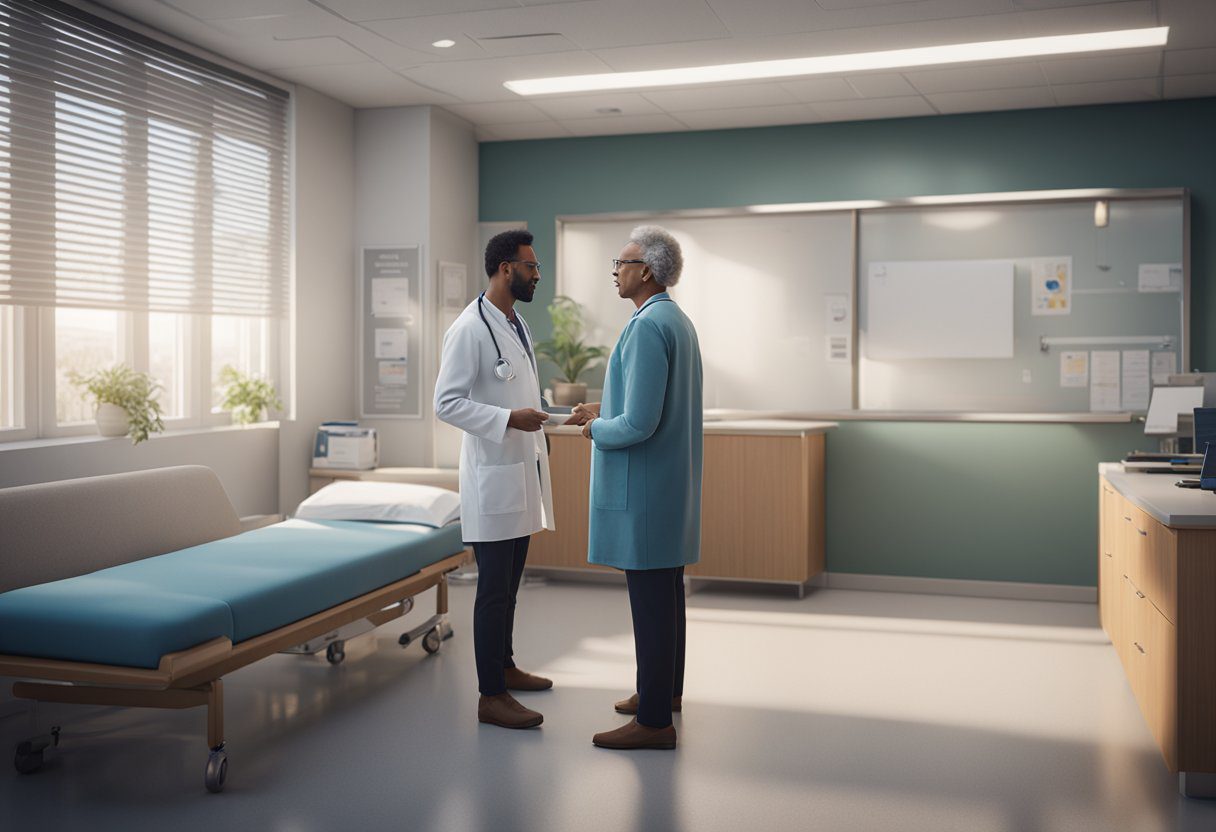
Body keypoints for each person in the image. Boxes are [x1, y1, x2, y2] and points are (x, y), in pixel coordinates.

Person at [570, 225, 703, 750]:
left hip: (646, 490)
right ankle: (662, 692)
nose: (615, 271)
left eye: (621, 263)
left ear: (645, 270)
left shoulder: (647, 326)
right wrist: (605, 410)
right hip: (668, 487)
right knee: (667, 595)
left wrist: (593, 428)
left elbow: (640, 425)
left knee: (651, 602)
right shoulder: (674, 319)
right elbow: (651, 406)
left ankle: (653, 722)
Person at [434, 229, 555, 730]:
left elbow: (521, 392)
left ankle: (504, 665)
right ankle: (491, 695)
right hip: (493, 477)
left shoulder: (514, 323)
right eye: (531, 266)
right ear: (506, 268)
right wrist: (507, 420)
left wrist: (553, 415)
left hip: (519, 474)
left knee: (510, 586)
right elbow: (446, 403)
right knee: (493, 590)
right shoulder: (469, 328)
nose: (537, 275)